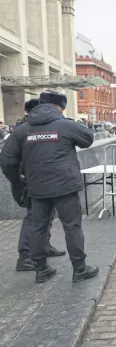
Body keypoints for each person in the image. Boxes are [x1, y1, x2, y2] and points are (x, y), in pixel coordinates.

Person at [0, 91, 99, 284]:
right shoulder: (65, 125)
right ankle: (79, 269)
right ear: (60, 108)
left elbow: (7, 161)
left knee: (38, 227)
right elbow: (88, 138)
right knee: (72, 227)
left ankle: (41, 270)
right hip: (65, 187)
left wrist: (18, 184)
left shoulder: (22, 130)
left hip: (36, 188)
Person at [11, 99, 65, 271]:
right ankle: (25, 256)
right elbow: (9, 159)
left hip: (41, 178)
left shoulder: (33, 127)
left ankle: (43, 246)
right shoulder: (25, 128)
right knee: (34, 218)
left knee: (45, 216)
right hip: (31, 179)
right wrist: (18, 180)